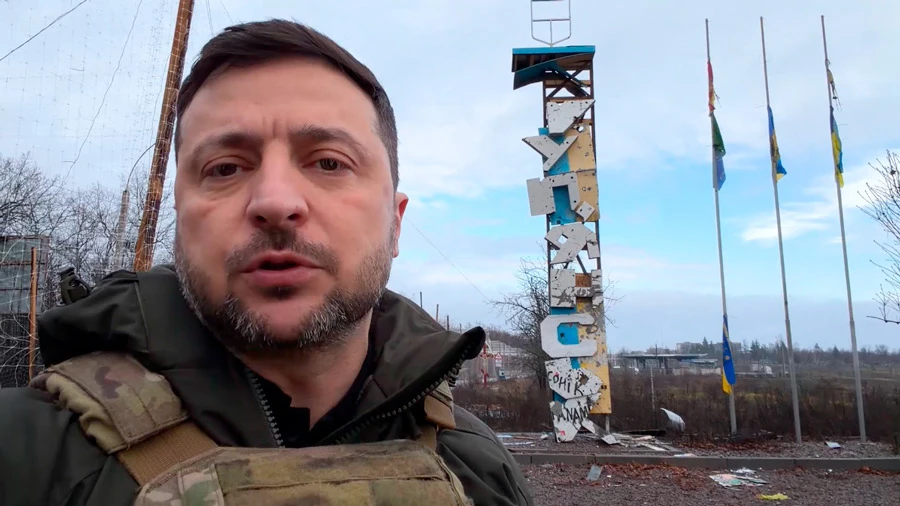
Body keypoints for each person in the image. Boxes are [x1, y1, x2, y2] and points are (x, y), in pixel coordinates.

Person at [0, 19, 533, 506]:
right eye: (225, 168)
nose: (275, 202)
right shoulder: (25, 455)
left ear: (395, 224)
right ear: (181, 218)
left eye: (329, 162)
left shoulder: (479, 466)